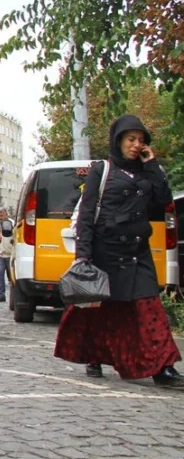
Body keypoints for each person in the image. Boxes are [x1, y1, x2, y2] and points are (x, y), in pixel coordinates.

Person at [53, 115, 182, 387]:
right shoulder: (102, 169)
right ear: (119, 140)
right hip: (106, 252)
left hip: (138, 252)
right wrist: (83, 257)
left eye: (141, 140)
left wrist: (153, 164)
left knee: (150, 309)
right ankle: (93, 356)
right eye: (131, 139)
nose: (136, 145)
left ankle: (163, 368)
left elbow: (163, 200)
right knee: (99, 310)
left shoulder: (147, 171)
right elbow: (87, 215)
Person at [0, 209, 15, 303]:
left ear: (6, 214)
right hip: (0, 254)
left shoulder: (12, 223)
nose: (1, 217)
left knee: (12, 277)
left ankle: (14, 297)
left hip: (11, 254)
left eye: (2, 215)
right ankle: (0, 295)